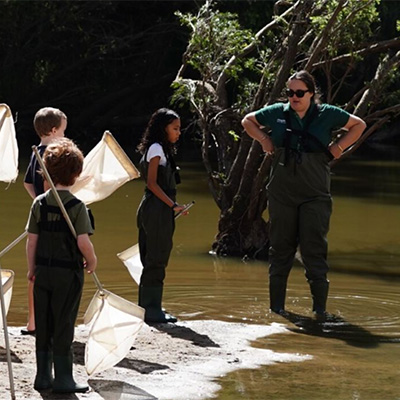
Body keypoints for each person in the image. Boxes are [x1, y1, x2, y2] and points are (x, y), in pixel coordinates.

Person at [241, 70, 366, 317]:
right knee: (280, 249)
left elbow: (359, 125)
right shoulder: (278, 112)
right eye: (290, 93)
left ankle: (320, 312)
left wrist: (338, 147)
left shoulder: (327, 113)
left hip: (315, 193)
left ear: (311, 94)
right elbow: (247, 121)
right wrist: (264, 140)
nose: (294, 97)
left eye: (299, 93)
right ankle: (277, 309)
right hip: (282, 192)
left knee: (314, 249)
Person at [26, 138, 97, 393]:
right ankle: (64, 379)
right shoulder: (78, 207)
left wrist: (31, 269)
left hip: (43, 271)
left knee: (43, 324)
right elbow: (83, 241)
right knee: (64, 323)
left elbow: (31, 241)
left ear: (47, 172)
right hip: (67, 275)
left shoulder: (39, 203)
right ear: (76, 175)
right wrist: (92, 259)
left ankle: (42, 376)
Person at [136, 108, 187, 323]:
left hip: (156, 208)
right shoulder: (156, 148)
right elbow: (152, 183)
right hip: (156, 208)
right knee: (156, 257)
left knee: (154, 257)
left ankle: (150, 306)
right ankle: (151, 310)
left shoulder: (159, 148)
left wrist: (172, 207)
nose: (178, 132)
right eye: (175, 128)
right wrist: (173, 205)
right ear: (162, 128)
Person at [22, 107, 68, 336]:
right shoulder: (53, 153)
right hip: (54, 219)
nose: (65, 136)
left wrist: (38, 202)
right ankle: (53, 321)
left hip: (39, 216)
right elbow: (51, 187)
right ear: (53, 130)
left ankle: (32, 322)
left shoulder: (35, 152)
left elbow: (28, 184)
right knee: (57, 269)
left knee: (35, 271)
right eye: (63, 131)